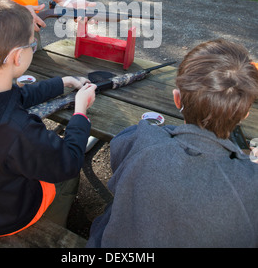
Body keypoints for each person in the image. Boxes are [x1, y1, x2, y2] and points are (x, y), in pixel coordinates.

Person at [86, 39, 258, 248]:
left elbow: (120, 154)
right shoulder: (251, 180)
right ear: (245, 113)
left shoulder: (142, 139)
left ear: (177, 100)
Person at [0, 0, 97, 237]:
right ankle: (53, 230)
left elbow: (14, 97)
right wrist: (80, 114)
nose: (33, 47)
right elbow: (69, 162)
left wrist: (60, 83)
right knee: (67, 178)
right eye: (32, 45)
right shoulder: (18, 129)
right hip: (4, 218)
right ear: (17, 57)